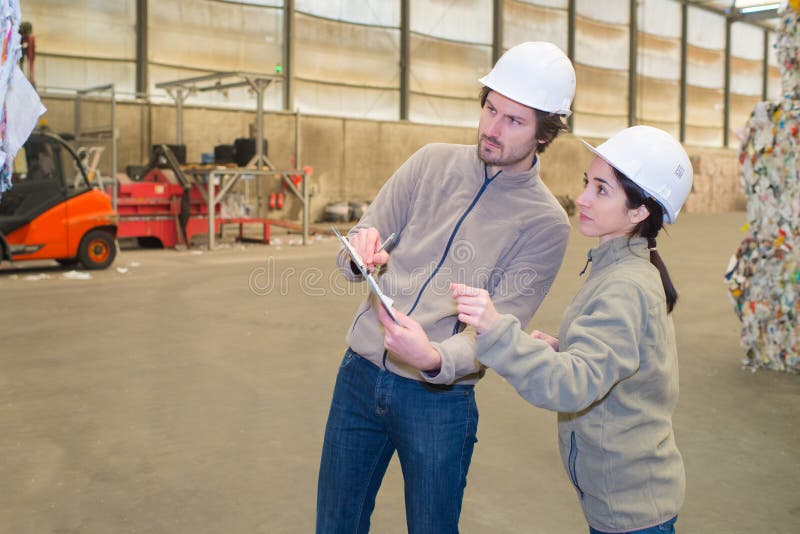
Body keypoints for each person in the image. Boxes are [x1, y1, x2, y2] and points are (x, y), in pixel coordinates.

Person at [317, 41, 576, 533]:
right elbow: (358, 241)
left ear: (545, 134)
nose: (491, 129)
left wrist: (435, 359)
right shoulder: (430, 163)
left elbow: (501, 328)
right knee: (335, 524)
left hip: (440, 402)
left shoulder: (545, 223)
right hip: (359, 375)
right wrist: (360, 252)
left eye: (513, 121)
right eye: (490, 108)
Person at [444, 125, 693, 534]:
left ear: (638, 211)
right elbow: (617, 358)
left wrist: (495, 329)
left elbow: (573, 385)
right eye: (586, 183)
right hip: (621, 499)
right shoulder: (620, 267)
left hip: (632, 511)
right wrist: (564, 348)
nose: (582, 199)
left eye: (601, 190)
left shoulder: (627, 285)